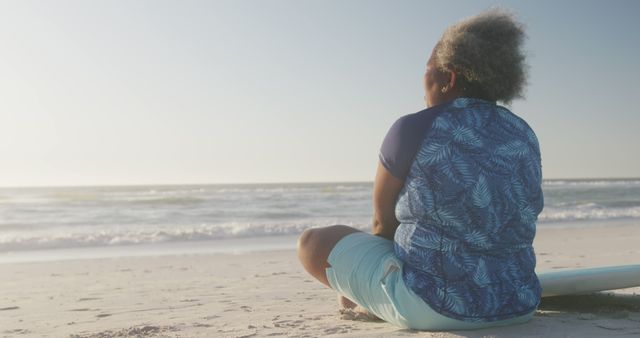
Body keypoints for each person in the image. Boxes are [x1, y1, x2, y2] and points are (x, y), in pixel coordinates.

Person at [297, 8, 544, 330]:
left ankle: (378, 301)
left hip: (433, 307)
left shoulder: (414, 127)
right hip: (519, 303)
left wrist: (359, 287)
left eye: (428, 69)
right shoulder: (523, 132)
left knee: (312, 242)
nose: (423, 79)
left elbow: (383, 224)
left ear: (448, 77)